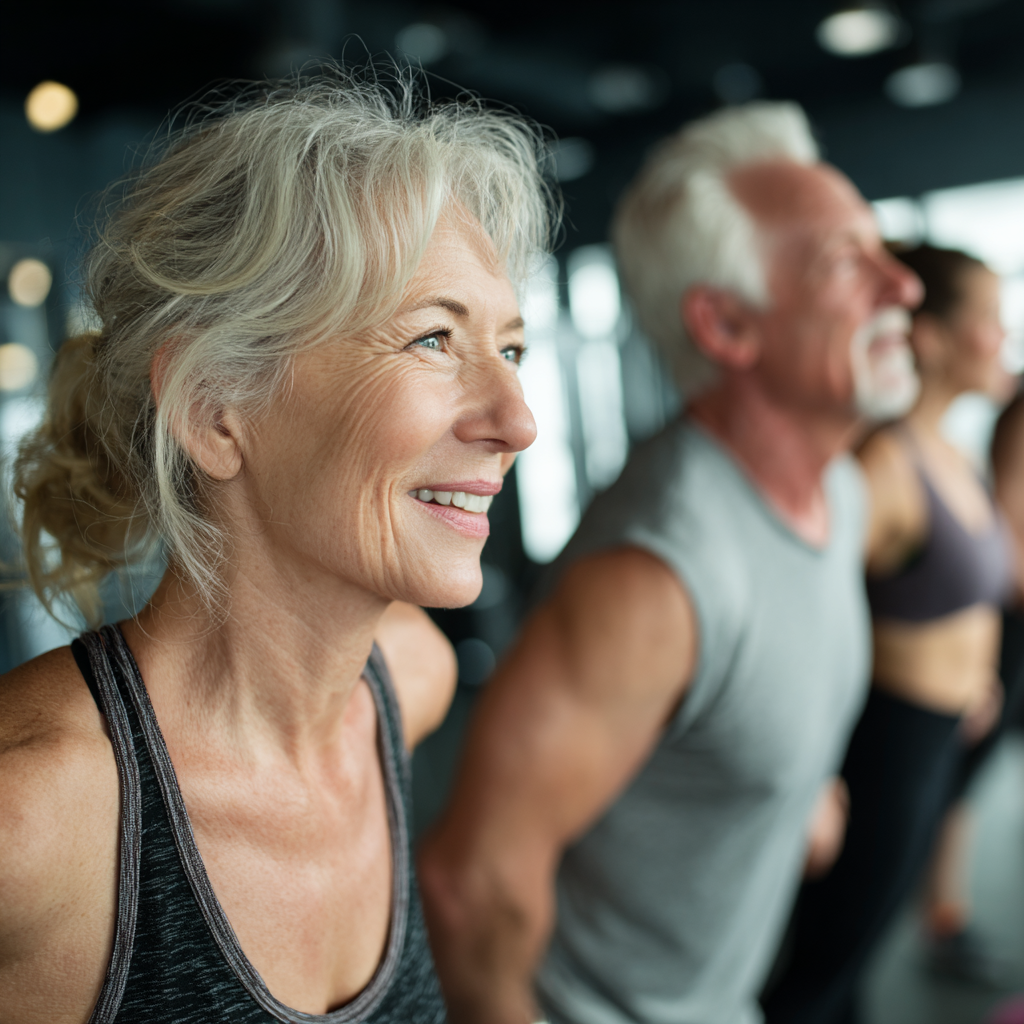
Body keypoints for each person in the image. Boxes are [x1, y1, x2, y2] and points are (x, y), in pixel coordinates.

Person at [0, 70, 554, 1023]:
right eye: (432, 338)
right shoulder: (35, 815)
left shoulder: (405, 683)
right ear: (217, 411)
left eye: (509, 349)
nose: (519, 419)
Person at [418, 101, 922, 1024]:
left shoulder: (837, 491)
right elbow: (470, 884)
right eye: (848, 264)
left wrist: (794, 785)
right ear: (727, 327)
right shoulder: (653, 577)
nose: (904, 287)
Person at [762, 245, 1015, 1024]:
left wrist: (980, 679)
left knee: (865, 952)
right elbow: (797, 613)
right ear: (931, 337)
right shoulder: (885, 465)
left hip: (943, 733)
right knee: (826, 963)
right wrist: (808, 777)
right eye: (989, 323)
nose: (1005, 341)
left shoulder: (954, 455)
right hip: (886, 745)